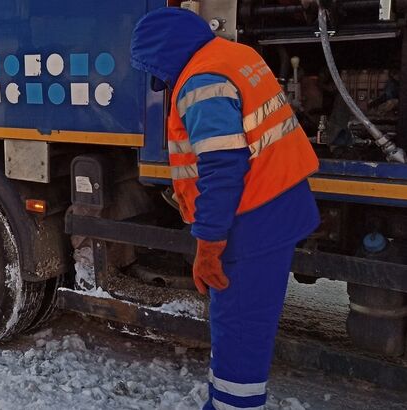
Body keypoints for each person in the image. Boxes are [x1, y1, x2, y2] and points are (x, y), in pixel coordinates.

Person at [131, 8, 320, 410]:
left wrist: (209, 243)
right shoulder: (235, 55)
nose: (161, 80)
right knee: (242, 325)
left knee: (239, 329)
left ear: (165, 53)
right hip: (277, 206)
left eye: (155, 68)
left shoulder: (201, 81)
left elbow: (222, 168)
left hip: (251, 221)